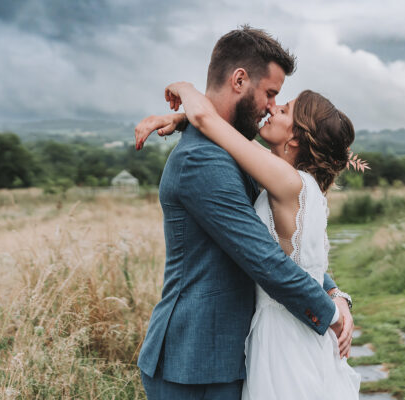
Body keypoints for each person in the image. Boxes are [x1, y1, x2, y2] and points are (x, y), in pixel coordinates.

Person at [135, 26, 355, 400]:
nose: (272, 106)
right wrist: (329, 313)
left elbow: (289, 244)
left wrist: (334, 291)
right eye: (271, 94)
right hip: (195, 360)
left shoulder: (241, 155)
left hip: (230, 355)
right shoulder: (202, 161)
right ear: (240, 80)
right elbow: (264, 256)